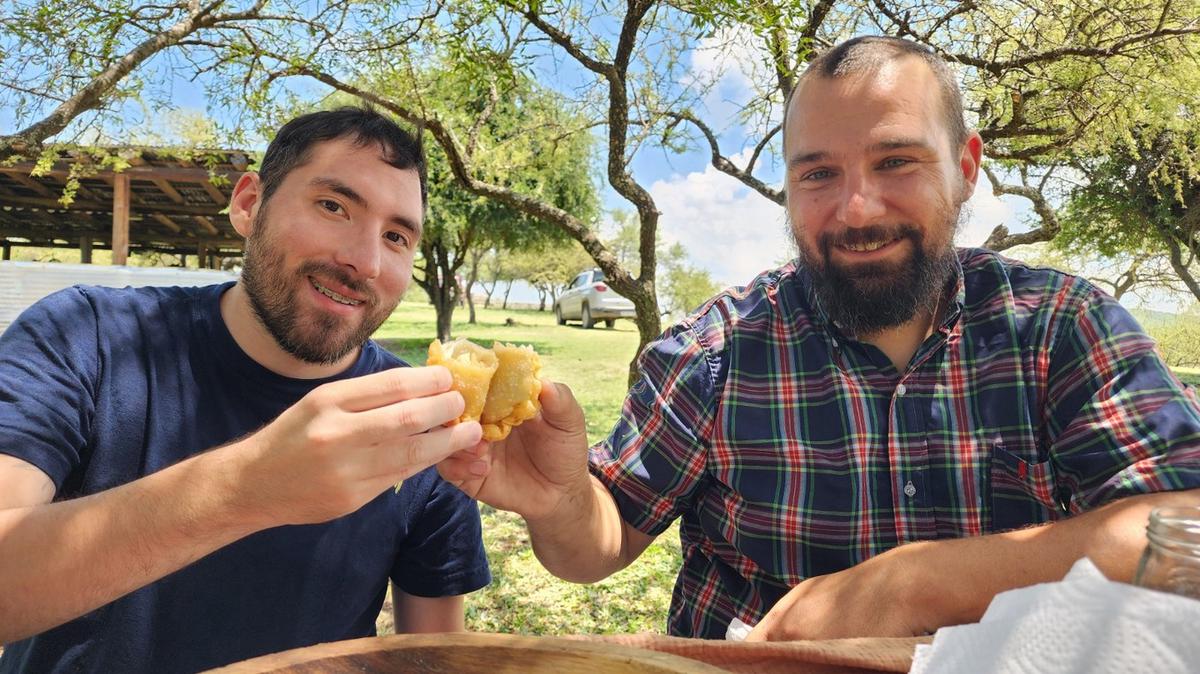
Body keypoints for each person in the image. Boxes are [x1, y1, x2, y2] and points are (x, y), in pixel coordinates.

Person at [438, 36, 1200, 642]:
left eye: (896, 161)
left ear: (966, 169)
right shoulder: (714, 355)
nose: (857, 208)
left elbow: (1185, 535)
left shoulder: (1063, 329)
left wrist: (918, 582)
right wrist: (562, 501)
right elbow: (595, 546)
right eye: (818, 174)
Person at [0, 107, 490, 672]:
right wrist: (247, 488)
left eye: (397, 236)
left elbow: (430, 658)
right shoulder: (86, 335)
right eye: (334, 206)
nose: (365, 260)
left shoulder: (420, 423)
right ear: (249, 203)